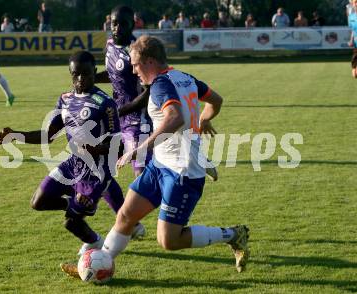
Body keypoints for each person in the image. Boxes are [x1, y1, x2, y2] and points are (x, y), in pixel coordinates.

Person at [62, 36, 249, 277]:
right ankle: (99, 264)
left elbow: (175, 117)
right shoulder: (185, 77)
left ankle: (234, 235)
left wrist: (141, 148)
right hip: (160, 165)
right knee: (126, 216)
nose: (132, 70)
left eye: (135, 64)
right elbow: (216, 100)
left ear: (149, 61)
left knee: (168, 240)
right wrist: (204, 119)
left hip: (182, 172)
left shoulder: (160, 85)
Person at [0, 51, 140, 260]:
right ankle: (77, 207)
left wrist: (96, 148)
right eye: (76, 74)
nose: (81, 79)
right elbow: (48, 135)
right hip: (73, 164)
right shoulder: (65, 99)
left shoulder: (105, 103)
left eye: (86, 74)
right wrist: (15, 135)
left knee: (72, 222)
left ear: (94, 72)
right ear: (70, 74)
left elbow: (118, 146)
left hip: (96, 171)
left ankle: (94, 242)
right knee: (38, 202)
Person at [95, 5, 152, 177]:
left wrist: (117, 111)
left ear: (132, 26)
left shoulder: (136, 52)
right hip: (117, 120)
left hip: (137, 121)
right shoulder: (110, 45)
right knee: (98, 165)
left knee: (141, 173)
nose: (117, 28)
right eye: (114, 23)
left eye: (123, 24)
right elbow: (114, 75)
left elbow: (148, 92)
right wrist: (92, 78)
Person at [348, 0, 357, 78]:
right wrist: (351, 40)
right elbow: (352, 30)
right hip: (356, 44)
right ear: (353, 4)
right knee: (354, 75)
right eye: (355, 2)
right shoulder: (351, 17)